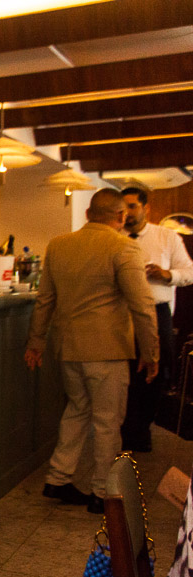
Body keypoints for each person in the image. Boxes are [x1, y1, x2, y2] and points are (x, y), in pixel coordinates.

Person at [24, 188, 158, 514]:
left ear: (87, 214)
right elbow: (142, 305)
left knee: (77, 410)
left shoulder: (59, 245)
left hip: (68, 348)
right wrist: (151, 351)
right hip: (107, 350)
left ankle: (58, 478)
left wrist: (36, 342)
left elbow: (45, 300)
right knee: (108, 421)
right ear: (121, 216)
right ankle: (103, 492)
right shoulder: (124, 247)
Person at [119, 186, 193, 452]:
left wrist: (167, 275)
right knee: (124, 372)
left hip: (156, 310)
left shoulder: (167, 236)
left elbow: (190, 272)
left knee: (156, 371)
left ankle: (142, 429)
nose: (127, 213)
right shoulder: (113, 237)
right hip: (121, 312)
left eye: (132, 206)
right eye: (123, 208)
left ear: (146, 208)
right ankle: (124, 429)